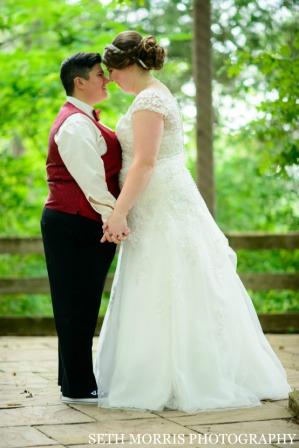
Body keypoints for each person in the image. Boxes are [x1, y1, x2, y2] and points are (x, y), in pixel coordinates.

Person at [94, 31, 292, 412]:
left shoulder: (150, 99)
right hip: (154, 201)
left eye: (114, 71)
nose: (111, 78)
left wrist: (118, 210)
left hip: (162, 200)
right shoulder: (148, 95)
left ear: (129, 65)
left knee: (172, 279)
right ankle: (158, 369)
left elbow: (145, 161)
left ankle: (184, 375)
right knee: (156, 281)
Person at [41, 52, 128, 405]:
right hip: (74, 222)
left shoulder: (85, 120)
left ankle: (73, 382)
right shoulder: (75, 124)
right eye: (98, 74)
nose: (105, 79)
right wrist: (114, 217)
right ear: (80, 81)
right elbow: (91, 181)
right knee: (75, 305)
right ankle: (78, 386)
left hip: (80, 221)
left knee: (79, 303)